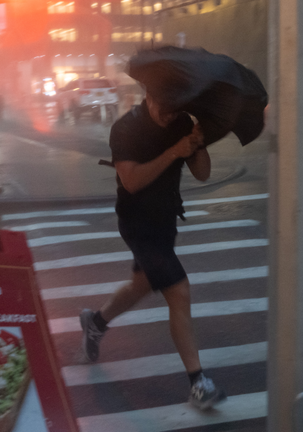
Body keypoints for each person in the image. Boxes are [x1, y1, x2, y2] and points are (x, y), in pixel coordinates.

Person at [79, 92, 227, 411]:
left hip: (165, 221)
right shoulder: (125, 128)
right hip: (137, 223)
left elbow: (203, 173)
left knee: (142, 284)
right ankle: (198, 383)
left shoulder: (182, 122)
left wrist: (198, 141)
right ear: (148, 93)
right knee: (179, 290)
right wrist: (175, 151)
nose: (170, 113)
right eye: (165, 104)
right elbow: (130, 180)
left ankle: (96, 322)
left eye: (177, 106)